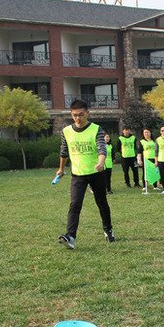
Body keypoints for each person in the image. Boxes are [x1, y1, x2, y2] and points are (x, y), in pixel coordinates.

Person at [56, 99, 113, 249]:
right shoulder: (66, 131)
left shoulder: (96, 129)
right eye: (75, 115)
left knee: (101, 202)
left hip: (96, 172)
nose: (78, 118)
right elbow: (64, 151)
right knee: (75, 204)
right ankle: (71, 237)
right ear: (71, 114)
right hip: (77, 174)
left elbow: (102, 148)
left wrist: (100, 162)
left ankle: (108, 230)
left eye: (81, 114)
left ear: (88, 113)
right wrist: (61, 169)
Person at [138, 128, 158, 193]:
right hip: (145, 159)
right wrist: (139, 160)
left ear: (150, 133)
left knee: (154, 172)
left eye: (148, 132)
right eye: (145, 132)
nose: (146, 134)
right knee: (145, 173)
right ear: (143, 134)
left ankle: (155, 186)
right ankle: (144, 186)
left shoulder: (154, 141)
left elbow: (157, 150)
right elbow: (139, 152)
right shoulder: (141, 141)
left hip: (153, 158)